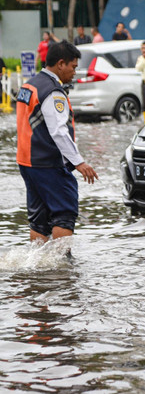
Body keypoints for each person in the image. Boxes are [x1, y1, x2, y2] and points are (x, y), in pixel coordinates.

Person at [16, 40, 98, 245]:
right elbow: (59, 131)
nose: (74, 72)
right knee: (64, 213)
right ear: (60, 63)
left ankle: (40, 266)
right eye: (73, 67)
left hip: (27, 162)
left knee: (38, 220)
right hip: (49, 164)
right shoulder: (53, 91)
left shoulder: (29, 85)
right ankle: (62, 267)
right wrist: (79, 162)